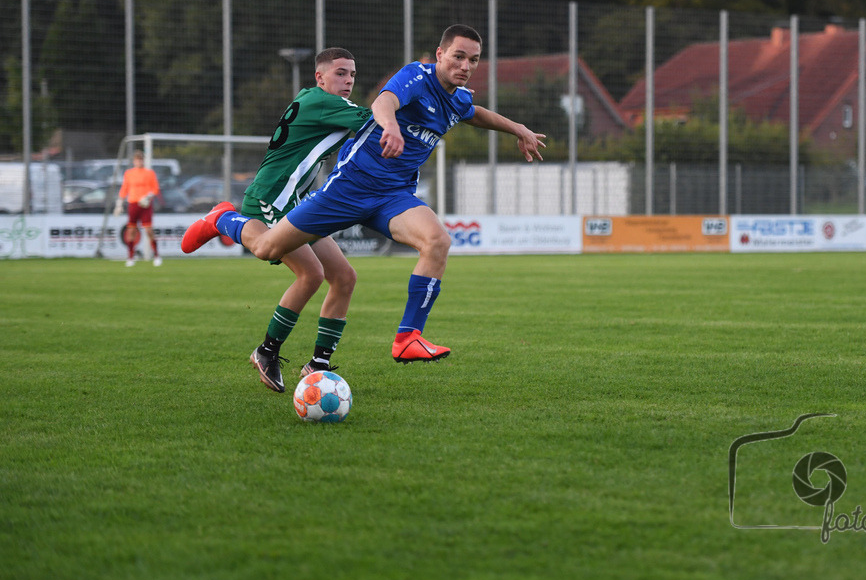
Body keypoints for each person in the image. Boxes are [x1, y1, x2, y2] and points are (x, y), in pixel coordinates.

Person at [182, 24, 545, 364]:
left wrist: (518, 129)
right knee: (266, 248)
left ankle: (406, 339)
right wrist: (391, 127)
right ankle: (223, 218)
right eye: (458, 56)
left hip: (394, 196)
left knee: (437, 242)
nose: (466, 65)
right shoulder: (416, 76)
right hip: (348, 190)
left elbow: (475, 113)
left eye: (474, 60)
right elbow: (383, 101)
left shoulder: (457, 99)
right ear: (439, 54)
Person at [188, 47, 371, 394]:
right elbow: (375, 122)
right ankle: (224, 220)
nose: (347, 80)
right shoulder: (326, 103)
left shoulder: (316, 100)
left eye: (352, 74)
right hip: (271, 197)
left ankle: (317, 364)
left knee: (344, 277)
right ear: (319, 77)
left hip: (295, 201)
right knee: (310, 273)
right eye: (340, 73)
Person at [115, 150, 161, 267]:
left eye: (141, 159)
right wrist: (119, 203)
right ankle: (130, 257)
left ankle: (156, 255)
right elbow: (124, 188)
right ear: (134, 161)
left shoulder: (150, 173)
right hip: (133, 204)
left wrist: (148, 196)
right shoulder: (129, 173)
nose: (139, 162)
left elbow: (155, 189)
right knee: (131, 230)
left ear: (143, 161)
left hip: (145, 205)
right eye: (137, 160)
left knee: (148, 230)